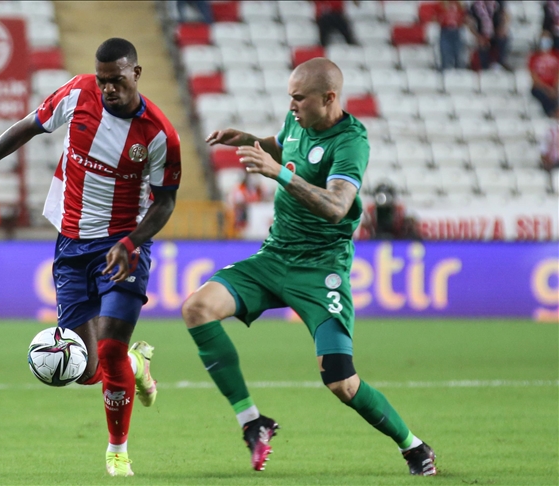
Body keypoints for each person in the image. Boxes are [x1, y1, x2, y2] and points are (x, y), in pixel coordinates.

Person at [181, 58, 437, 476]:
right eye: (291, 97)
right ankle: (252, 422)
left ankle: (414, 446)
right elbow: (285, 147)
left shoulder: (350, 142)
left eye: (299, 98)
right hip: (274, 256)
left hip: (320, 269)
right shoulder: (297, 120)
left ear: (329, 98)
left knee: (341, 382)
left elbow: (337, 206)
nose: (292, 105)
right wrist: (247, 139)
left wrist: (278, 174)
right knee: (197, 308)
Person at [0, 38, 181, 477]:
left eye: (116, 80)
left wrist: (132, 243)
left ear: (136, 73)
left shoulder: (159, 134)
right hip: (71, 245)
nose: (108, 88)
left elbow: (165, 203)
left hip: (123, 248)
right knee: (84, 369)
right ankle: (136, 365)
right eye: (103, 80)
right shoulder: (77, 93)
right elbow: (25, 127)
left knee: (109, 348)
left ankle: (117, 453)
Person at [467, 0, 510, 71]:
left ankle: (500, 62)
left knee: (503, 38)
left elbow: (505, 15)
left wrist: (502, 28)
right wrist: (477, 35)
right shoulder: (475, 6)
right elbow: (469, 22)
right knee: (482, 45)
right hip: (482, 34)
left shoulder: (498, 3)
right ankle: (484, 67)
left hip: (496, 32)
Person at [227, 172, 270, 236]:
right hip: (241, 210)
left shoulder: (257, 189)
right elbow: (237, 202)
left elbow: (264, 197)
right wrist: (248, 204)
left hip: (254, 210)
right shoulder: (239, 188)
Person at [529, 35, 559, 117]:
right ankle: (552, 114)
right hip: (540, 88)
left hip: (554, 87)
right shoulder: (534, 57)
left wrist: (555, 87)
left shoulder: (556, 55)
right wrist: (547, 89)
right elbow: (534, 77)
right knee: (544, 96)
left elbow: (557, 73)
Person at [437, 0, 467, 70]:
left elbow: (464, 17)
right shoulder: (442, 5)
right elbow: (436, 17)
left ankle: (459, 70)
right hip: (445, 30)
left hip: (456, 30)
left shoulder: (459, 6)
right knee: (445, 52)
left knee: (458, 52)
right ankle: (446, 69)